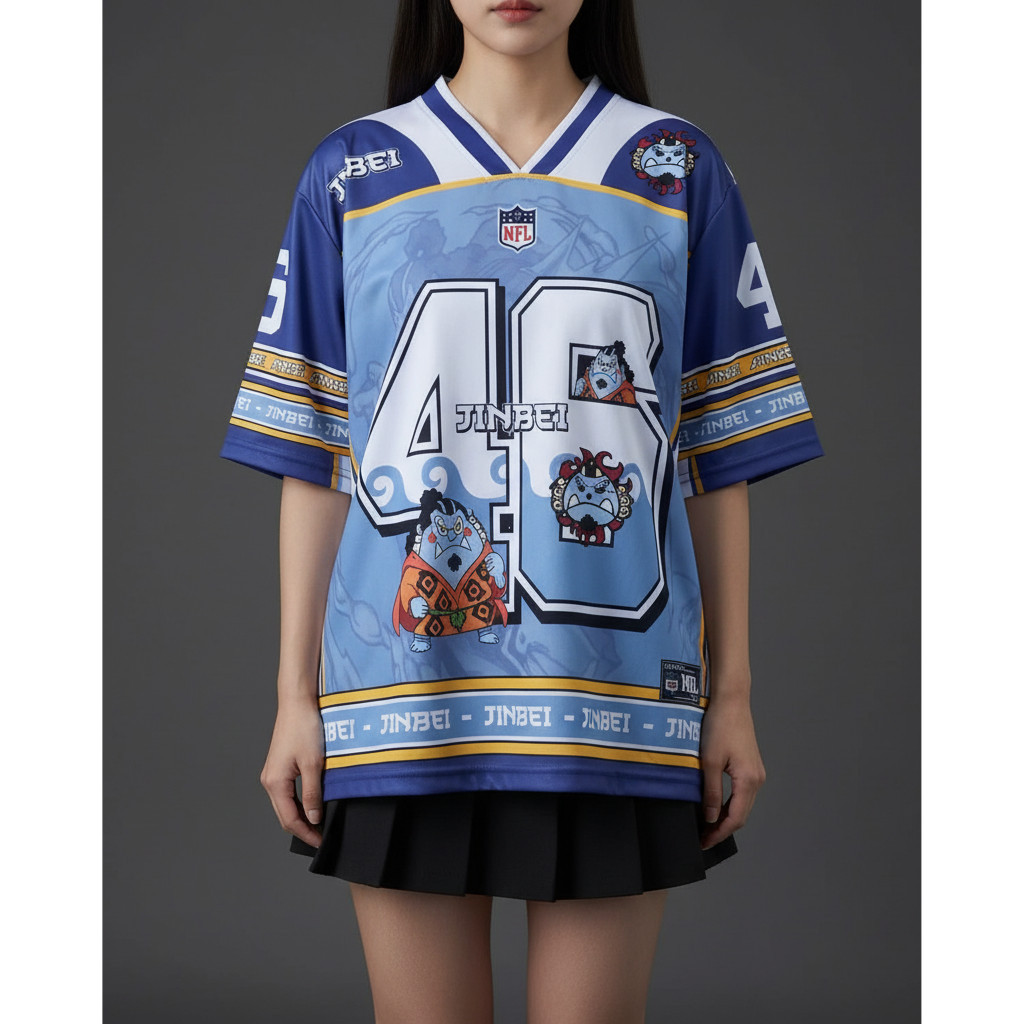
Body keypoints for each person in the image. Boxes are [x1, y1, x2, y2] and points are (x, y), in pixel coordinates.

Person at [221, 1, 823, 1020]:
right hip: (401, 700)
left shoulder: (675, 168)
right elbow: (318, 461)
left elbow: (714, 458)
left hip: (615, 702)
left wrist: (731, 694)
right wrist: (294, 699)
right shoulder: (353, 172)